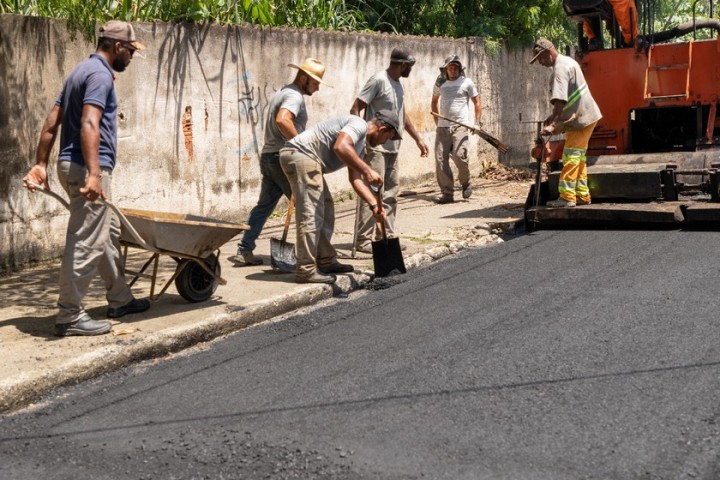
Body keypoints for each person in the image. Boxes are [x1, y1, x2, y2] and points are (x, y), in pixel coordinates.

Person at [23, 20, 150, 337]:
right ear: (117, 47)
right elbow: (89, 124)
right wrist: (95, 173)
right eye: (131, 51)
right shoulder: (100, 77)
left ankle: (120, 298)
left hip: (70, 164)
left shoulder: (78, 72)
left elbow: (52, 123)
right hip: (87, 168)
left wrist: (41, 164)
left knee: (106, 232)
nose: (131, 57)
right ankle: (70, 315)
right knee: (85, 241)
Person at [280, 110, 400, 284]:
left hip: (309, 160)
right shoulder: (358, 124)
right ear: (382, 129)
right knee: (311, 214)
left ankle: (326, 260)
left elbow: (355, 179)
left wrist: (375, 206)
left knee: (326, 209)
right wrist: (368, 170)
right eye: (388, 137)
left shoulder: (359, 145)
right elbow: (340, 146)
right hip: (301, 155)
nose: (385, 142)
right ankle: (305, 269)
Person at [230, 58, 330, 266]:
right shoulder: (294, 96)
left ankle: (244, 250)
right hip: (282, 157)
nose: (318, 88)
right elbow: (283, 120)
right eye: (316, 83)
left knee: (264, 206)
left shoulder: (282, 92)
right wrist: (301, 145)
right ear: (304, 79)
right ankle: (317, 257)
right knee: (309, 207)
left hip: (269, 157)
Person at [350, 47, 429, 254]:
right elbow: (356, 108)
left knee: (391, 193)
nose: (410, 69)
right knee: (372, 191)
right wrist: (361, 139)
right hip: (375, 148)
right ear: (402, 65)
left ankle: (387, 235)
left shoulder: (398, 85)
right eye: (409, 65)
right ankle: (363, 240)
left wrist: (418, 139)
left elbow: (403, 116)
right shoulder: (378, 80)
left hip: (394, 147)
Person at [530, 38, 603, 207]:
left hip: (580, 120)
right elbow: (566, 100)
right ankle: (582, 195)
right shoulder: (569, 61)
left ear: (547, 52)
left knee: (570, 157)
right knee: (579, 157)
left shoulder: (559, 70)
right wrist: (552, 117)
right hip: (586, 116)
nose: (540, 63)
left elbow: (560, 100)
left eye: (540, 59)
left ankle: (567, 197)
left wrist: (552, 125)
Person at [430, 54, 482, 204]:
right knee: (440, 160)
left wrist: (476, 123)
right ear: (445, 69)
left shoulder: (467, 83)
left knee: (460, 156)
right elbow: (434, 102)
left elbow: (477, 102)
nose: (453, 70)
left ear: (460, 69)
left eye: (456, 68)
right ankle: (447, 193)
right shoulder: (440, 83)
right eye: (450, 67)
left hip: (461, 126)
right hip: (443, 127)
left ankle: (465, 182)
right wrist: (437, 120)